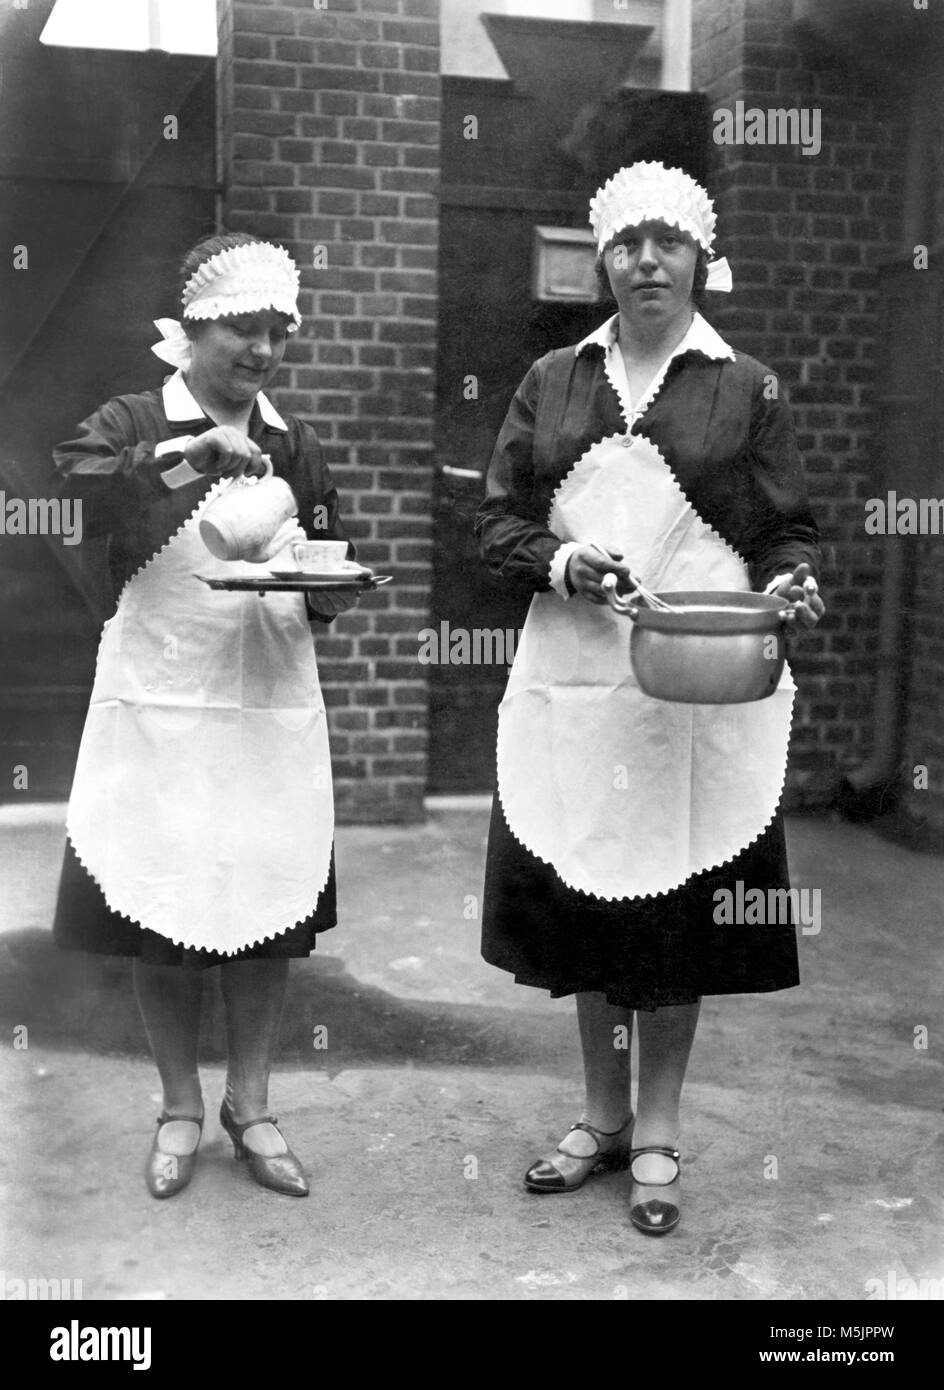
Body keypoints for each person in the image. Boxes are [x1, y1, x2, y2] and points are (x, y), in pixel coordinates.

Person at [475, 162, 825, 1235]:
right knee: (588, 893)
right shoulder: (552, 378)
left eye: (666, 242)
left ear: (698, 258)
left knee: (673, 910)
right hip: (576, 685)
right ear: (601, 261)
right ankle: (598, 1119)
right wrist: (563, 560)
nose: (645, 262)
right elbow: (495, 524)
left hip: (694, 690)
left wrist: (787, 583)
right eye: (626, 243)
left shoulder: (745, 385)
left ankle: (659, 1128)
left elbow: (786, 531)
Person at [53, 232, 357, 1199]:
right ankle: (181, 1106)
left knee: (263, 907)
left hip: (264, 696)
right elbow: (72, 489)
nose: (260, 350)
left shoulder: (294, 439)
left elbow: (327, 544)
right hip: (163, 698)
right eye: (240, 328)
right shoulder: (138, 418)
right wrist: (185, 457)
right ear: (192, 329)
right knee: (165, 908)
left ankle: (252, 1105)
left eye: (276, 330)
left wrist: (330, 590)